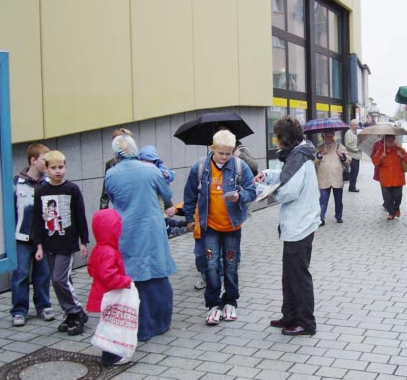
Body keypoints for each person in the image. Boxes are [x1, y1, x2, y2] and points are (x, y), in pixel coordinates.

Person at [105, 134, 177, 342]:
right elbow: (166, 193)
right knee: (157, 274)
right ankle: (160, 323)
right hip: (151, 228)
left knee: (134, 275)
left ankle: (139, 325)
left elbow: (112, 198)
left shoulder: (111, 174)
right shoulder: (151, 170)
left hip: (126, 229)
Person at [255, 115, 320, 336]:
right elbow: (286, 176)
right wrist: (266, 176)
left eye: (277, 137)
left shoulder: (299, 157)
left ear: (285, 138)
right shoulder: (298, 154)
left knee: (298, 276)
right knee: (289, 275)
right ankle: (290, 315)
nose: (276, 141)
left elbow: (288, 191)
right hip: (298, 224)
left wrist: (265, 192)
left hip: (299, 226)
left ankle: (306, 323)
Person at [183, 130, 256, 326]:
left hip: (232, 226)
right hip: (210, 227)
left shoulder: (240, 167)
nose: (224, 157)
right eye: (221, 153)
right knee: (211, 265)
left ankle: (230, 301)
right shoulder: (200, 168)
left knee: (231, 266)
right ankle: (213, 304)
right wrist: (189, 218)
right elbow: (190, 195)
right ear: (213, 148)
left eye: (228, 153)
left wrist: (239, 196)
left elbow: (252, 191)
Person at [32, 150, 89, 336]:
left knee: (58, 279)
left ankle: (76, 311)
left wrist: (83, 241)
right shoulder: (41, 191)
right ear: (46, 169)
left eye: (61, 167)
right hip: (49, 243)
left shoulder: (72, 189)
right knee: (63, 281)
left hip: (67, 242)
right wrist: (39, 245)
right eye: (54, 168)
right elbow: (37, 220)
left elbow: (80, 216)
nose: (58, 171)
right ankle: (70, 314)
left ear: (65, 167)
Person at [11, 143, 55, 327]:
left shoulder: (48, 183)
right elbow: (11, 211)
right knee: (21, 273)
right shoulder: (17, 184)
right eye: (44, 159)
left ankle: (43, 305)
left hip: (42, 238)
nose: (48, 163)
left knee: (43, 273)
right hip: (22, 237)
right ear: (33, 160)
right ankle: (19, 310)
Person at [86, 209, 133, 366]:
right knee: (112, 327)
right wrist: (125, 281)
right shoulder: (109, 252)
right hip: (110, 295)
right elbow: (109, 277)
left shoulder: (98, 248)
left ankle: (111, 354)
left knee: (108, 325)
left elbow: (91, 269)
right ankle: (111, 357)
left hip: (101, 293)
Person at [371, 134, 407, 220]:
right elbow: (375, 162)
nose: (390, 142)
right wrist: (381, 157)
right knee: (387, 198)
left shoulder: (399, 149)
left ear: (394, 140)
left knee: (398, 196)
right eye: (388, 140)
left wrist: (402, 156)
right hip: (385, 178)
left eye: (391, 140)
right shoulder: (381, 150)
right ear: (385, 141)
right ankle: (391, 213)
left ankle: (396, 208)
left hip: (398, 178)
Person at [315, 130, 351, 225]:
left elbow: (349, 159)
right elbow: (314, 160)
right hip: (324, 177)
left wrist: (342, 155)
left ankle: (339, 216)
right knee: (323, 199)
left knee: (338, 199)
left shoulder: (339, 146)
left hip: (337, 177)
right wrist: (321, 154)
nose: (329, 138)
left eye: (330, 136)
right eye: (327, 136)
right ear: (323, 137)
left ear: (333, 136)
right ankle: (321, 218)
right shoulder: (320, 147)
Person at [99, 128, 134, 209]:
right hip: (120, 207)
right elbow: (105, 194)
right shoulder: (111, 164)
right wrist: (103, 213)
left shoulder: (139, 161)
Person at [344, 119, 362, 192]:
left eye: (357, 125)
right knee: (354, 172)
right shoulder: (349, 133)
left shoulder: (354, 133)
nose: (356, 126)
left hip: (356, 156)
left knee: (355, 172)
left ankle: (352, 186)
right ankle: (352, 187)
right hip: (352, 156)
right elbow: (348, 145)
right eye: (355, 125)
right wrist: (358, 149)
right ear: (351, 125)